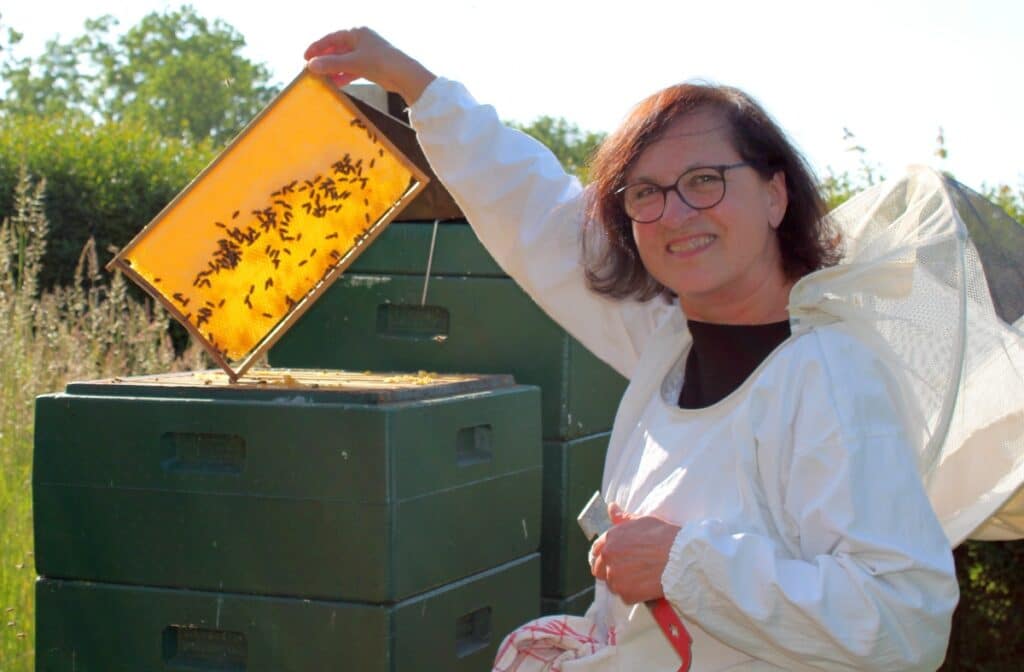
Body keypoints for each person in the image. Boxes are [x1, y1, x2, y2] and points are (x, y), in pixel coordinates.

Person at [304, 29, 963, 671]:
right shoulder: (668, 340)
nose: (675, 214)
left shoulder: (829, 378)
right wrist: (418, 88)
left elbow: (905, 619)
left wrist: (684, 565)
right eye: (646, 193)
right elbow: (543, 216)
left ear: (775, 192)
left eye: (705, 180)